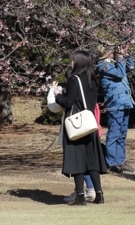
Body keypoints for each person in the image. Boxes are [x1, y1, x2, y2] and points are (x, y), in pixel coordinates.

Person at [54, 51, 108, 205]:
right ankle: (99, 194)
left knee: (77, 160)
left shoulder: (74, 79)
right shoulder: (92, 80)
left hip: (77, 125)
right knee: (91, 161)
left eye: (73, 60)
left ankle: (80, 196)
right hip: (89, 124)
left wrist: (57, 95)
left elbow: (69, 102)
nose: (71, 62)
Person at [96, 45, 135, 174]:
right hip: (115, 102)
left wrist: (126, 56)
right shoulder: (102, 66)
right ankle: (111, 162)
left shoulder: (116, 64)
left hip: (125, 101)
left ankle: (120, 161)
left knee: (122, 133)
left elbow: (130, 67)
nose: (114, 53)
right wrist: (120, 58)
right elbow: (119, 74)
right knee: (114, 133)